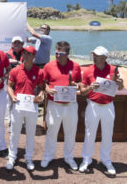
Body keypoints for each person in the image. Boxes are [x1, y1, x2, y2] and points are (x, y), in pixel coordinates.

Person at [78, 46, 124, 175]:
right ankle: (86, 160)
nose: (94, 57)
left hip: (108, 105)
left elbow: (120, 88)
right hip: (93, 105)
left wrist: (120, 83)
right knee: (89, 133)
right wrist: (90, 88)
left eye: (97, 55)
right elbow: (82, 92)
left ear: (104, 58)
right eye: (93, 55)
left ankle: (106, 160)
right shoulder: (88, 71)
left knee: (107, 134)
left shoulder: (114, 70)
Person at [41, 41, 81, 170]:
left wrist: (77, 86)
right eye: (56, 52)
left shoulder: (75, 66)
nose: (57, 55)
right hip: (54, 104)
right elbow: (43, 83)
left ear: (68, 54)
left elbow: (80, 83)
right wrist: (46, 89)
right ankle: (48, 156)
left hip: (71, 105)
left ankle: (69, 157)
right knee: (52, 131)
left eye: (61, 53)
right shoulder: (48, 66)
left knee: (70, 133)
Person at [5, 45, 44, 171]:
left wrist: (40, 95)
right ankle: (11, 157)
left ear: (33, 56)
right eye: (24, 53)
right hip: (18, 106)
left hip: (32, 106)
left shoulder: (39, 72)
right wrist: (12, 96)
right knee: (14, 133)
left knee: (30, 134)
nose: (25, 55)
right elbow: (9, 86)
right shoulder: (15, 70)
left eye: (28, 53)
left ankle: (28, 158)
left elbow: (41, 88)